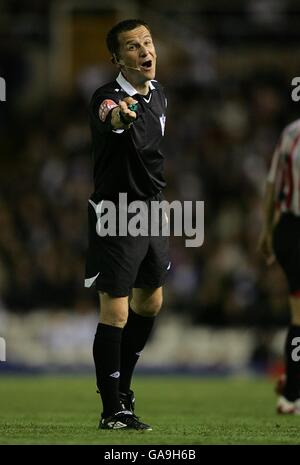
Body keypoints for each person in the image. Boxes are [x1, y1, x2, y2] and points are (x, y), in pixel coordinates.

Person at [84, 19, 170, 430]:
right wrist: (123, 116)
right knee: (115, 312)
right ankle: (111, 411)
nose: (145, 51)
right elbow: (112, 117)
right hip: (117, 213)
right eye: (133, 47)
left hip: (153, 212)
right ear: (117, 58)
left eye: (148, 42)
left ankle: (125, 392)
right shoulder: (108, 97)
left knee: (150, 303)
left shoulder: (160, 97)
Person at [258, 118, 300, 414]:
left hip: (286, 227)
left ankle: (292, 383)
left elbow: (272, 183)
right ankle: (291, 395)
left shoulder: (291, 131)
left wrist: (267, 230)